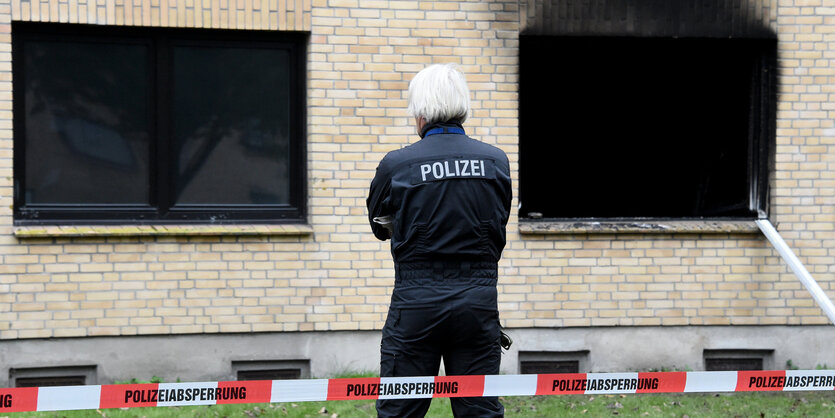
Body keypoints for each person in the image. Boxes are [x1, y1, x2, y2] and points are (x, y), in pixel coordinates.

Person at [367, 63, 512, 417]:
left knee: (401, 409)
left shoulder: (398, 165)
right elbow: (499, 223)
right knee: (479, 408)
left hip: (416, 301)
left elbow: (378, 225)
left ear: (420, 112)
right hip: (477, 301)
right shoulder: (495, 162)